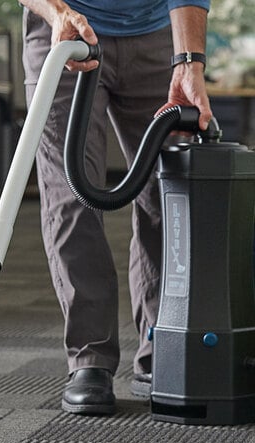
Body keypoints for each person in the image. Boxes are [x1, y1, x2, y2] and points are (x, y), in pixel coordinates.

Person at [17, 0, 212, 415]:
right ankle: (90, 359)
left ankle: (163, 345)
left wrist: (189, 61)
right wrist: (56, 13)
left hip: (160, 34)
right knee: (72, 197)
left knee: (169, 196)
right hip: (68, 32)